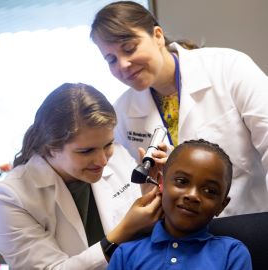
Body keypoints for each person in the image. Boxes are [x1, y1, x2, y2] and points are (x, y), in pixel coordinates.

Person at [90, 0, 268, 217]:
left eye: (129, 48)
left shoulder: (229, 67)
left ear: (157, 36)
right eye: (111, 59)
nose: (123, 65)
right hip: (180, 237)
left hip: (248, 219)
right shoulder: (123, 111)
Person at [0, 83, 167, 269]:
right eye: (86, 151)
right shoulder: (10, 198)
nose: (103, 160)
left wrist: (151, 194)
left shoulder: (118, 156)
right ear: (51, 148)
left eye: (108, 144)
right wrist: (125, 231)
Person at [107, 139, 253, 270]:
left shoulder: (231, 254)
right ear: (161, 184)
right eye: (182, 181)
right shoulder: (126, 255)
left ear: (222, 205)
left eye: (209, 191)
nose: (192, 196)